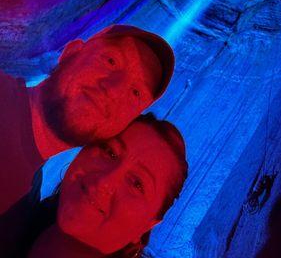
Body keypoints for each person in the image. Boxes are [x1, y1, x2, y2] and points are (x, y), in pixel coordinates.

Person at [0, 25, 174, 214]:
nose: (113, 89)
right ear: (70, 52)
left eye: (135, 93)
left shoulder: (23, 206)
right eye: (111, 61)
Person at [9, 114, 188, 258]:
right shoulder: (14, 203)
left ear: (148, 226)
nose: (104, 182)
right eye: (110, 152)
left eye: (137, 184)